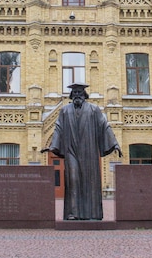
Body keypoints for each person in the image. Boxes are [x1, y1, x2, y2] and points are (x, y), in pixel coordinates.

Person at [42, 83, 122, 220]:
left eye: (80, 93)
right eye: (75, 93)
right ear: (71, 95)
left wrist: (114, 144)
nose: (77, 95)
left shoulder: (94, 109)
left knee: (90, 181)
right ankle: (73, 213)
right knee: (73, 180)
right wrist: (53, 146)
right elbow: (59, 128)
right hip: (71, 150)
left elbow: (104, 125)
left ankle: (93, 214)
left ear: (84, 95)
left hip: (89, 151)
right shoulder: (65, 111)